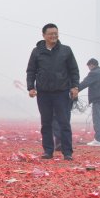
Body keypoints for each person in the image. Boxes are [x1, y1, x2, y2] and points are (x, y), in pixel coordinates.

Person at [26, 23, 79, 160]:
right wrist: (31, 87)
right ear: (44, 35)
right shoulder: (37, 51)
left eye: (56, 33)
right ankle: (48, 151)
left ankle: (67, 152)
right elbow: (31, 70)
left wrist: (75, 87)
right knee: (46, 123)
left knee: (64, 122)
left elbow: (73, 70)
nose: (54, 36)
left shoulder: (66, 51)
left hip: (62, 92)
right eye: (50, 34)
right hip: (43, 93)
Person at [77, 58, 100, 146]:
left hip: (98, 99)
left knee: (97, 119)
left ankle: (98, 140)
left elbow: (85, 83)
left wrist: (75, 90)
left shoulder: (94, 73)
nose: (88, 68)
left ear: (91, 65)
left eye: (88, 66)